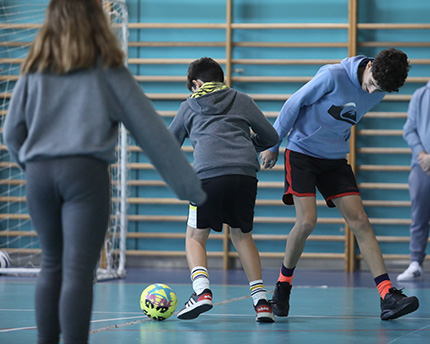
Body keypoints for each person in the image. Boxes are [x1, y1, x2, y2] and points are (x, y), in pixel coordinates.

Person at [3, 1, 206, 343]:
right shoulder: (109, 70)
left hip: (39, 175)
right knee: (79, 272)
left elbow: (11, 133)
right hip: (85, 175)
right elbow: (152, 134)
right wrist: (191, 188)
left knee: (52, 264)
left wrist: (34, 166)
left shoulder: (33, 70)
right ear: (98, 20)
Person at [259, 48, 420, 320]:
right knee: (307, 221)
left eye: (378, 90)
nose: (371, 93)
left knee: (360, 221)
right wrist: (273, 144)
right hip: (302, 153)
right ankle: (282, 288)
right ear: (369, 66)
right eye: (371, 84)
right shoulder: (332, 76)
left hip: (334, 159)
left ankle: (387, 294)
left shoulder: (379, 89)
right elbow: (293, 104)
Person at [169, 57, 279, 322]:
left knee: (195, 237)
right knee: (243, 236)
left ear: (196, 83)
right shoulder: (242, 99)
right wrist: (248, 144)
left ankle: (201, 292)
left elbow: (169, 142)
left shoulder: (189, 105)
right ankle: (261, 301)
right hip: (244, 175)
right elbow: (272, 138)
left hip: (206, 177)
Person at [397, 81, 430, 282]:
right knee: (419, 216)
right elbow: (409, 129)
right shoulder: (420, 95)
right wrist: (422, 154)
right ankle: (415, 263)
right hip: (421, 166)